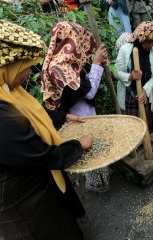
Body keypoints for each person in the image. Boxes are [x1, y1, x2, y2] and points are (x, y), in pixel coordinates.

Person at [0, 18, 92, 239]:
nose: (30, 73)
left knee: (59, 222)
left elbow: (26, 113)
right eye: (26, 67)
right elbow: (37, 153)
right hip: (14, 193)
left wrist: (62, 116)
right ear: (7, 64)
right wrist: (77, 146)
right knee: (42, 232)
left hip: (28, 177)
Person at [41, 21, 111, 192]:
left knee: (94, 145)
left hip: (78, 112)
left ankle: (103, 176)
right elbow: (89, 92)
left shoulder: (62, 61)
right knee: (90, 150)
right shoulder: (60, 68)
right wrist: (95, 64)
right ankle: (96, 183)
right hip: (78, 115)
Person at [114, 21, 153, 132]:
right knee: (130, 127)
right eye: (148, 41)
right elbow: (116, 72)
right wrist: (130, 76)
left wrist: (146, 91)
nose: (150, 45)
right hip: (128, 94)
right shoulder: (125, 50)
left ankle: (145, 148)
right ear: (141, 37)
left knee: (144, 126)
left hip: (143, 96)